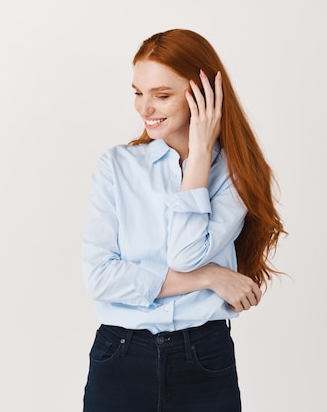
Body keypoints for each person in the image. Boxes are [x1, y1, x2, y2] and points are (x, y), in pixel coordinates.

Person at [81, 29, 285, 412]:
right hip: (121, 356)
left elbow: (185, 254)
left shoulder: (236, 173)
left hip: (203, 359)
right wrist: (211, 277)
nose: (145, 109)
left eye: (161, 95)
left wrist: (202, 153)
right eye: (138, 93)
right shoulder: (116, 167)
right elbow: (101, 278)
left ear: (201, 95)